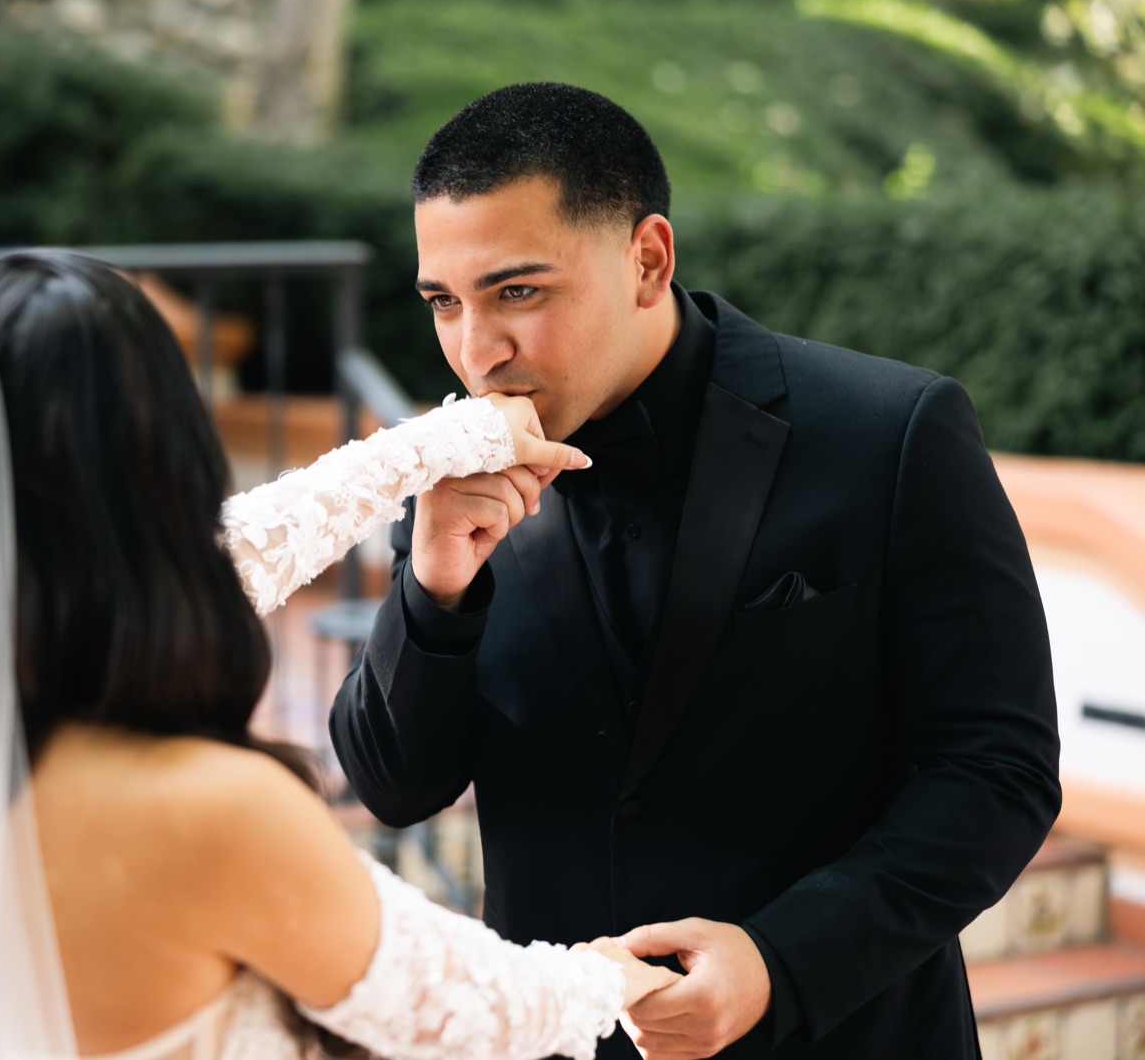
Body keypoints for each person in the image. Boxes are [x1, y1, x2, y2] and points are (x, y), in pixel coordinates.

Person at [0, 250, 680, 1060]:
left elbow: (235, 550)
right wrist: (614, 976)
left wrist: (451, 439)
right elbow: (473, 1012)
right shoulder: (202, 813)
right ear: (159, 461)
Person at [330, 82, 1062, 1060]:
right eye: (443, 303)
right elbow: (393, 786)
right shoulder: (450, 476)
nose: (477, 351)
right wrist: (434, 589)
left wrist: (780, 962)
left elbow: (998, 770)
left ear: (648, 259)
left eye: (517, 292)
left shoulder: (889, 433)